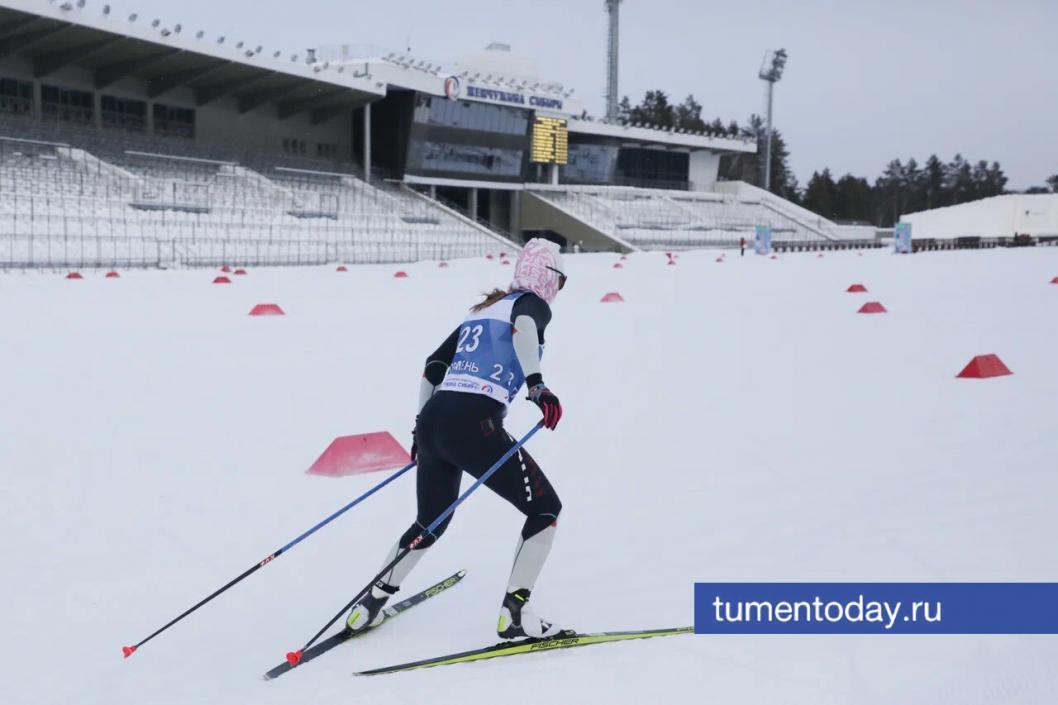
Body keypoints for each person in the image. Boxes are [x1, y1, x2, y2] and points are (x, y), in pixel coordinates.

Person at [345, 238, 567, 640]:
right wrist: (537, 386)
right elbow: (524, 327)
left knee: (430, 520)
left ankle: (370, 604)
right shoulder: (531, 304)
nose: (559, 290)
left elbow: (433, 366)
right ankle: (516, 613)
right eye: (561, 281)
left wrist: (420, 428)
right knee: (545, 509)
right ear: (547, 277)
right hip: (474, 423)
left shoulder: (480, 312)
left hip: (433, 420)